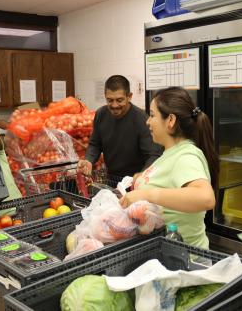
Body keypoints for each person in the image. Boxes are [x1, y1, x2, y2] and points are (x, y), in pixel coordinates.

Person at [119, 87, 218, 249]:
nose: (147, 121)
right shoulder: (170, 152)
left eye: (152, 115)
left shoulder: (186, 155)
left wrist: (146, 193)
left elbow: (205, 197)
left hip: (184, 265)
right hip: (164, 258)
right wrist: (141, 180)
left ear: (170, 121)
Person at [78, 75, 161, 177]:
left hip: (135, 182)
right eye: (110, 100)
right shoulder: (101, 114)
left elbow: (153, 155)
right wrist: (89, 160)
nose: (114, 105)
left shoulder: (142, 120)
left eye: (119, 100)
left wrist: (142, 175)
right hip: (112, 178)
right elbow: (95, 144)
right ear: (105, 96)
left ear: (129, 96)